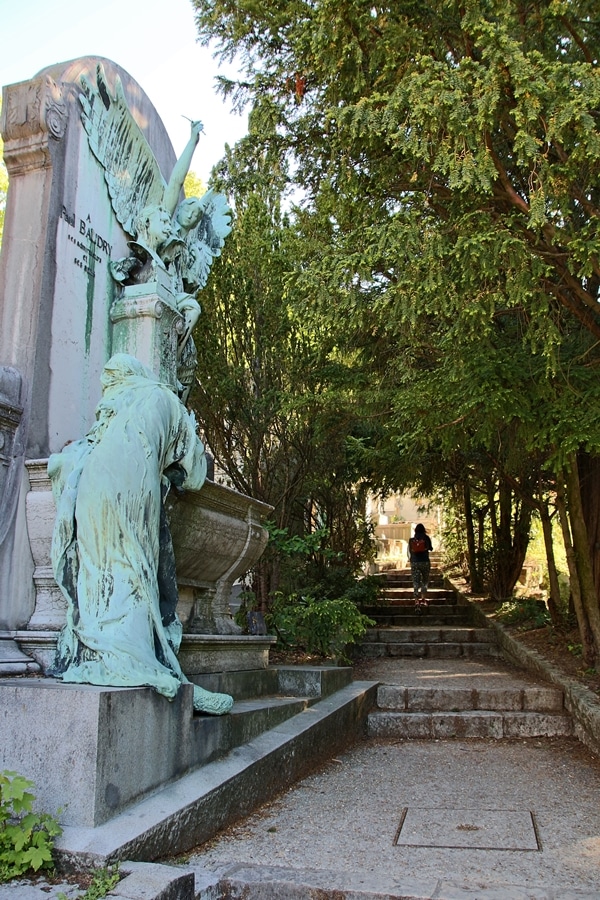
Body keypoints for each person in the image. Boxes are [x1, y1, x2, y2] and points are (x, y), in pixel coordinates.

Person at [48, 354, 233, 715]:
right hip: (131, 492)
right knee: (135, 577)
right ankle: (151, 670)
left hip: (89, 488)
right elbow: (194, 475)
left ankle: (96, 646)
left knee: (98, 575)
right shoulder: (163, 397)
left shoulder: (113, 406)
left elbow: (77, 453)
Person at [407, 523, 433, 611]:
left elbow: (410, 551)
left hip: (414, 562)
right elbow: (431, 548)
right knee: (425, 581)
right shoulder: (426, 538)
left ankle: (416, 601)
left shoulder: (411, 540)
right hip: (425, 562)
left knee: (415, 581)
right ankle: (423, 599)